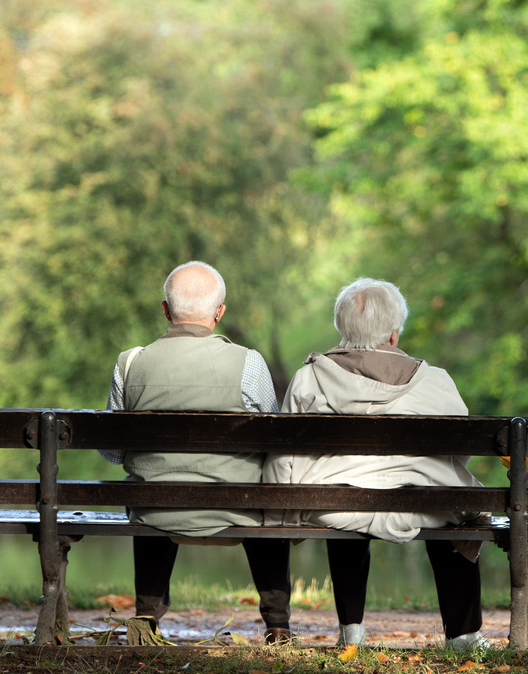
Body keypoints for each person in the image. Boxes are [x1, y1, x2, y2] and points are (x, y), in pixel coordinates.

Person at [263, 278, 489, 650]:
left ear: (342, 329)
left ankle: (351, 632)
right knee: (454, 509)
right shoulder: (435, 381)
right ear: (394, 335)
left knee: (345, 496)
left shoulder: (309, 377)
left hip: (334, 506)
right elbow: (458, 452)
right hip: (422, 505)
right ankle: (463, 635)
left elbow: (285, 452)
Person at [100, 261, 293, 645]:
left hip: (155, 508)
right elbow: (273, 443)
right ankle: (277, 625)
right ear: (219, 313)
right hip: (238, 505)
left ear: (166, 310)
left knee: (150, 486)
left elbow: (113, 452)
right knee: (267, 492)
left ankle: (146, 620)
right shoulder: (249, 363)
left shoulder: (130, 363)